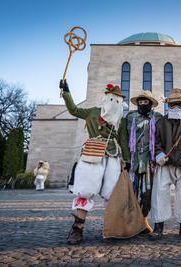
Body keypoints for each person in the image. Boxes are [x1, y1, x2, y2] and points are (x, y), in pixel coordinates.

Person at [59, 80, 130, 245]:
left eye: (118, 100)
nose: (114, 102)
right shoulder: (92, 112)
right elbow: (74, 110)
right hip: (91, 154)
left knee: (112, 193)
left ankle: (111, 228)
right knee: (85, 190)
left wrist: (126, 161)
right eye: (112, 98)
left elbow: (123, 141)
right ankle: (77, 228)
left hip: (112, 157)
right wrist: (67, 92)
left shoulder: (121, 120)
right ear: (106, 98)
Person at [149, 88, 181, 241]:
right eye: (173, 105)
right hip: (164, 164)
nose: (176, 107)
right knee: (159, 194)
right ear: (168, 105)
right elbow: (155, 140)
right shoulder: (160, 121)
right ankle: (158, 227)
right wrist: (158, 154)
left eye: (179, 104)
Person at [126, 91, 162, 217]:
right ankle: (132, 220)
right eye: (140, 102)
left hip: (149, 160)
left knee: (148, 192)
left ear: (150, 104)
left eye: (145, 102)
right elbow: (124, 137)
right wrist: (124, 158)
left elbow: (161, 137)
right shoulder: (130, 117)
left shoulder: (158, 117)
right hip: (133, 159)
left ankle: (143, 218)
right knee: (132, 190)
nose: (142, 104)